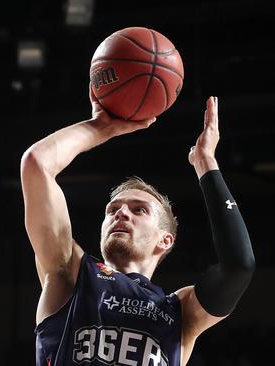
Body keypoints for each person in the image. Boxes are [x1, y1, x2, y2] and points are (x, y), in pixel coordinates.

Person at [20, 91, 255, 366]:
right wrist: (100, 127)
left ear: (165, 240)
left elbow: (239, 265)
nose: (121, 213)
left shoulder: (180, 313)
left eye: (139, 210)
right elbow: (37, 165)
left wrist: (206, 163)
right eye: (112, 209)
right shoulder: (71, 275)